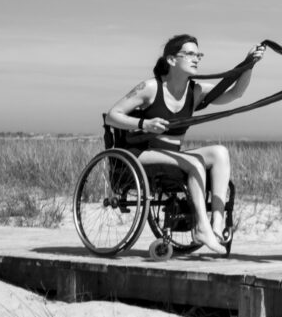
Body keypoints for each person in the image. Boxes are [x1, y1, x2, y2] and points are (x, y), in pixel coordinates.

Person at [106, 34, 264, 254]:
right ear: (171, 60)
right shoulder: (150, 88)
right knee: (195, 163)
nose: (196, 58)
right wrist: (145, 123)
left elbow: (235, 93)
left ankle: (216, 224)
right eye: (189, 53)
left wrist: (249, 65)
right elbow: (112, 116)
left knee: (220, 152)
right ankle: (201, 226)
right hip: (140, 153)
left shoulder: (195, 91)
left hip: (173, 156)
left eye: (198, 54)